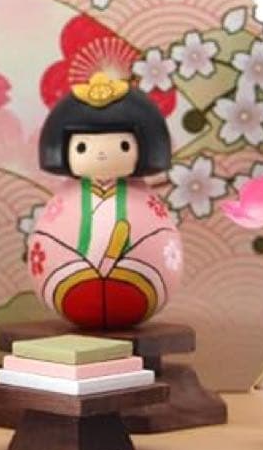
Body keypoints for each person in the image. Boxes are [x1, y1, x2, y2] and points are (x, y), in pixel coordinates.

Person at [29, 73, 182, 328]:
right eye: (82, 147)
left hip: (132, 277)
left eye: (124, 146)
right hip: (74, 277)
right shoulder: (67, 198)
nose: (100, 154)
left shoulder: (142, 198)